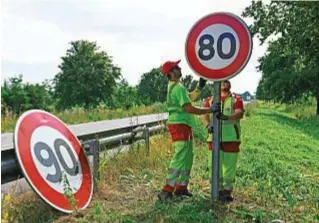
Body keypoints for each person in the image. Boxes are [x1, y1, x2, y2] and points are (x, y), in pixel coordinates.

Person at [157, 59, 216, 201]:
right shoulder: (177, 88)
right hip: (179, 125)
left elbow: (189, 98)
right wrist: (209, 109)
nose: (179, 68)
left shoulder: (176, 87)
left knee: (188, 156)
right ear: (171, 73)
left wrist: (199, 87)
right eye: (176, 67)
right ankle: (166, 190)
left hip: (183, 125)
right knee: (180, 156)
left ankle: (181, 188)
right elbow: (189, 107)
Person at [202, 80, 244, 202]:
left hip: (231, 138)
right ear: (218, 84)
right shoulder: (210, 100)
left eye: (227, 81)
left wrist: (226, 117)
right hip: (213, 139)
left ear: (230, 85)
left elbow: (239, 114)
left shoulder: (236, 99)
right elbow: (204, 115)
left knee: (229, 167)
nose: (224, 83)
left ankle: (227, 192)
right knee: (214, 165)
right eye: (222, 81)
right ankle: (217, 190)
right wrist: (207, 125)